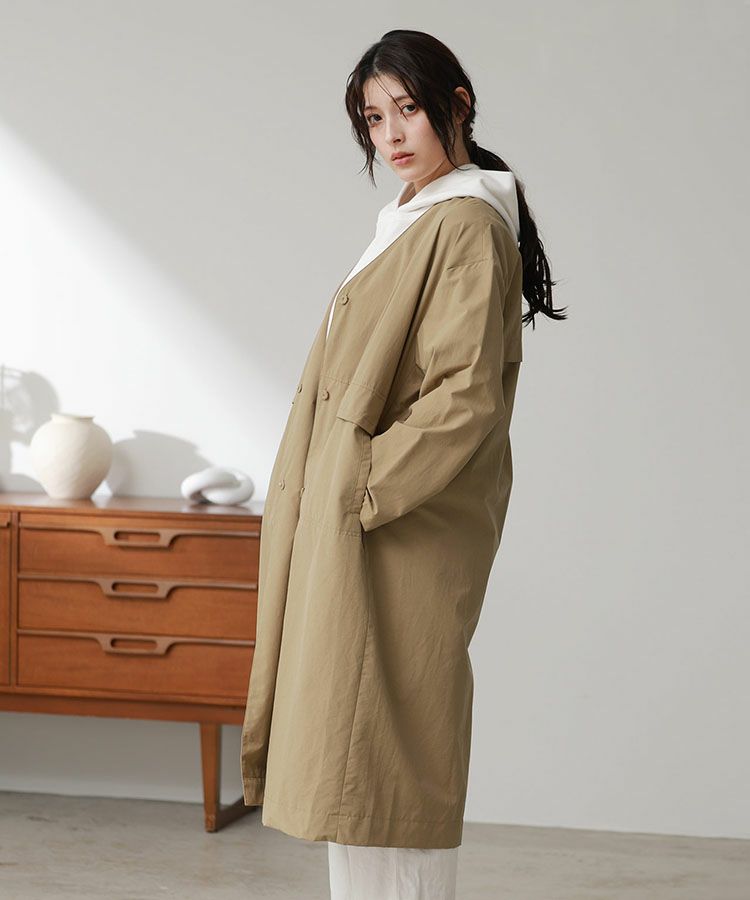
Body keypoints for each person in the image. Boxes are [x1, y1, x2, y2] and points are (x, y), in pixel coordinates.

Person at [240, 29, 565, 900]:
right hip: (367, 525)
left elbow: (464, 398)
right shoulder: (417, 218)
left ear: (458, 104)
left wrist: (357, 487)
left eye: (407, 110)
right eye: (373, 119)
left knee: (389, 761)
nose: (390, 136)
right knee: (357, 770)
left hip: (397, 526)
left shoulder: (464, 224)